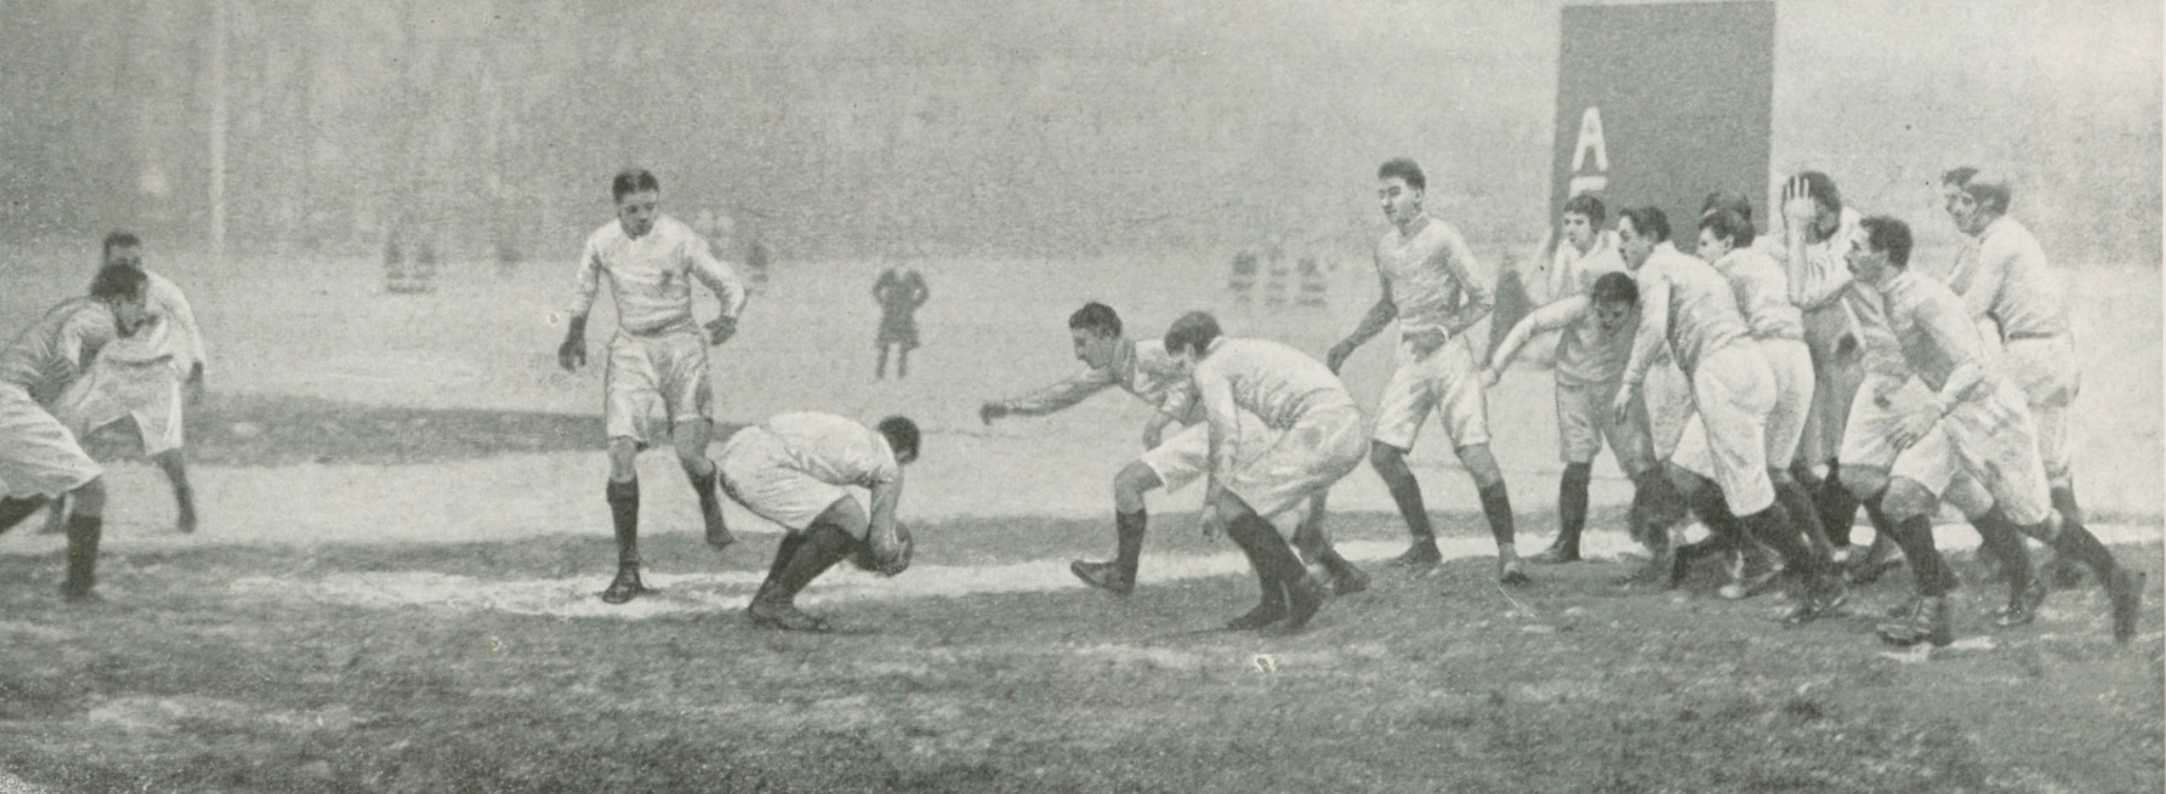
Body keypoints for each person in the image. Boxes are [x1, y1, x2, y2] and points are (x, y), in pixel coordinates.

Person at [1838, 216, 2142, 645]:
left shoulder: (1922, 297)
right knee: (1902, 498)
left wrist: (1931, 408)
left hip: (1990, 416)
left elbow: (1973, 365)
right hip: (1951, 419)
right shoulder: (1889, 293)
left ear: (1882, 255)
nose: (1847, 255)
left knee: (2036, 520)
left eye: (1856, 247)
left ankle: (2117, 578)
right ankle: (1934, 610)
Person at [978, 303, 1365, 598]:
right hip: (1222, 432)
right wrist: (1013, 407)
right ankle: (1339, 570)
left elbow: (1195, 376)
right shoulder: (1114, 369)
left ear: (1105, 334)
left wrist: (1161, 419)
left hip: (1222, 428)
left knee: (1128, 483)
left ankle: (1122, 576)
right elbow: (1066, 392)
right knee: (1263, 513)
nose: (1079, 353)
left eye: (1082, 343)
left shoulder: (1152, 353)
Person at [1610, 206, 1844, 623]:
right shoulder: (1691, 266)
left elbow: (1653, 327)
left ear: (1649, 236)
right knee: (1686, 471)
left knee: (1752, 495)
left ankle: (1819, 577)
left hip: (1727, 374)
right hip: (1744, 368)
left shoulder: (1657, 268)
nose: (1620, 246)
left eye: (1626, 237)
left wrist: (1629, 382)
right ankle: (1759, 552)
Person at [557, 168, 749, 604]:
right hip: (632, 349)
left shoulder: (679, 237)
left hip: (681, 345)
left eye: (650, 207)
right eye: (632, 210)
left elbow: (729, 282)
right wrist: (574, 332)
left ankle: (708, 502)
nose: (642, 217)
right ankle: (628, 569)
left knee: (690, 454)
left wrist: (729, 316)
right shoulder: (601, 242)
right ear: (617, 208)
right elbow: (584, 290)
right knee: (620, 451)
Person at [1327, 158, 1523, 582]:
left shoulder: (1443, 237)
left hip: (1451, 356)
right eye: (1381, 194)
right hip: (1411, 357)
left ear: (1418, 193)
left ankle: (1508, 554)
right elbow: (1387, 305)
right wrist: (1351, 342)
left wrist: (1442, 329)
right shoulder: (1385, 248)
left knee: (1474, 453)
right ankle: (1424, 544)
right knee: (1383, 454)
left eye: (1394, 192)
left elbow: (1483, 299)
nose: (1386, 202)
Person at [1666, 205, 1833, 597]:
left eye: (1704, 243)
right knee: (1775, 472)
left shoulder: (1722, 269)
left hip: (1762, 360)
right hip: (1797, 360)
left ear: (1726, 241)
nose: (1700, 251)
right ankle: (1822, 554)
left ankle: (1755, 554)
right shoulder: (1766, 258)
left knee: (1689, 472)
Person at [1167, 312, 1367, 633]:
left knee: (1230, 505)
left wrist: (1210, 501)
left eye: (1181, 365)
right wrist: (1315, 515)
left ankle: (1302, 591)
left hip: (1320, 428)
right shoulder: (1249, 349)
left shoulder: (1210, 366)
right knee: (1256, 505)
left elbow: (1224, 433)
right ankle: (1328, 578)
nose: (1185, 375)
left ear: (1190, 350)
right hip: (1346, 426)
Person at [1934, 168, 2086, 586]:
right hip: (2047, 351)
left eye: (1961, 201)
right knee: (2049, 462)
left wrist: (1924, 323)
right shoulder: (1997, 238)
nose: (1953, 209)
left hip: (2032, 354)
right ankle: (2065, 559)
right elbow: (1952, 291)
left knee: (2010, 454)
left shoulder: (2001, 243)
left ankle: (2007, 555)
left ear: (1986, 205)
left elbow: (1971, 308)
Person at [1483, 268, 1673, 564]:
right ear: (1593, 303)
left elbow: (1663, 339)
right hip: (1574, 389)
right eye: (1602, 313)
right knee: (1578, 461)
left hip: (1617, 390)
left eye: (1616, 314)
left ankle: (1661, 543)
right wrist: (1496, 367)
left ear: (1632, 307)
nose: (1608, 321)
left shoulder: (1645, 313)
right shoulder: (1579, 306)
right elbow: (1530, 323)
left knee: (1641, 461)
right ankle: (1567, 543)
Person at [0, 266, 151, 601]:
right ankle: (79, 590)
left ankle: (78, 588)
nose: (143, 311)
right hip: (8, 400)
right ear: (117, 300)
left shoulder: (77, 305)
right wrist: (69, 354)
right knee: (91, 491)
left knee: (36, 490)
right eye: (139, 302)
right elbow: (75, 330)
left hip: (11, 400)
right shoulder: (101, 318)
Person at [43, 232, 208, 536]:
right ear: (106, 261)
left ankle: (186, 507)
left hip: (154, 376)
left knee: (166, 449)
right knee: (65, 430)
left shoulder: (160, 289)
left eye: (136, 260)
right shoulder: (99, 290)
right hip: (112, 375)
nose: (131, 266)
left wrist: (197, 368)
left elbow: (188, 324)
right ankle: (56, 514)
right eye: (122, 261)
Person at [716, 413, 919, 631]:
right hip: (760, 466)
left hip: (738, 452)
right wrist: (894, 558)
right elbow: (881, 545)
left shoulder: (856, 434)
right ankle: (774, 602)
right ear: (904, 453)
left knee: (822, 519)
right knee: (848, 518)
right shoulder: (888, 462)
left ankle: (767, 600)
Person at [872, 263, 929, 380]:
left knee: (904, 348)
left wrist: (914, 304)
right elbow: (876, 289)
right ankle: (879, 375)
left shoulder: (913, 275)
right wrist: (883, 303)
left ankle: (901, 375)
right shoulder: (889, 274)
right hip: (890, 315)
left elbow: (925, 292)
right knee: (884, 347)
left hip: (905, 316)